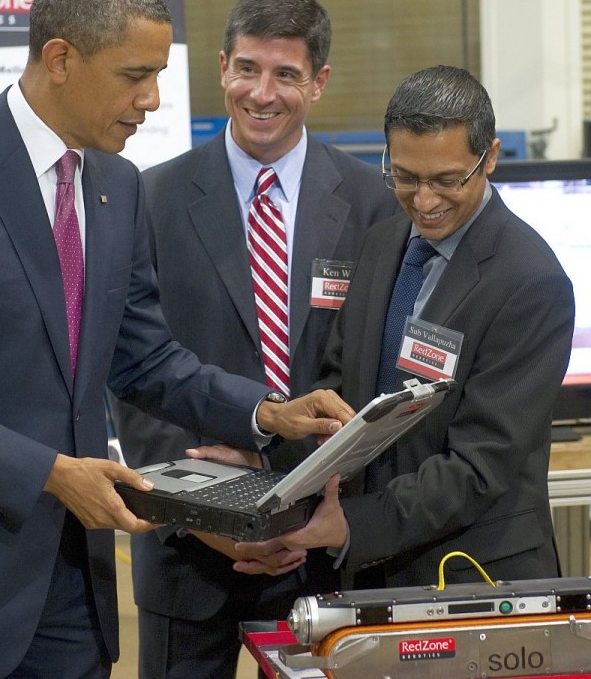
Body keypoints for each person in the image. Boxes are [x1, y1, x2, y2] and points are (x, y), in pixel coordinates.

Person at [0, 0, 350, 679]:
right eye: (134, 74)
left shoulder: (115, 183)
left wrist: (267, 412)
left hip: (73, 595)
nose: (152, 98)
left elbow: (144, 357)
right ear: (59, 60)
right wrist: (49, 473)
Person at [110, 0, 398, 679]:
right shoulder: (147, 198)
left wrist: (300, 504)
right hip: (188, 552)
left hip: (322, 551)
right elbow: (134, 374)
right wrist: (202, 511)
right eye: (247, 68)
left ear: (320, 82)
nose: (262, 93)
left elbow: (367, 377)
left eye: (286, 75)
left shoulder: (373, 205)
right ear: (221, 67)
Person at [196, 65, 575, 590]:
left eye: (446, 180)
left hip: (472, 573)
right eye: (405, 177)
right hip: (370, 570)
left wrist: (353, 523)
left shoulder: (529, 281)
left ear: (488, 157)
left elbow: (480, 465)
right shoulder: (383, 244)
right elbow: (343, 402)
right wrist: (267, 462)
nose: (424, 201)